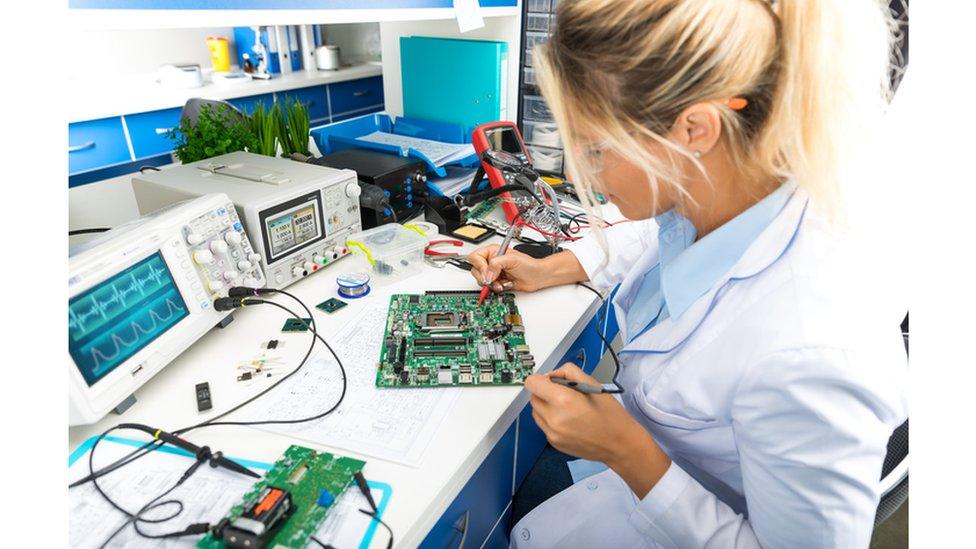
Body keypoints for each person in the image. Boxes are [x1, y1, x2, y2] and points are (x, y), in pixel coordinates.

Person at [466, 0, 908, 546]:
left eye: (597, 147)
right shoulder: (735, 194)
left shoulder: (810, 350)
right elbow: (657, 236)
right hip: (620, 489)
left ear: (694, 129)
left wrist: (626, 449)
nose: (578, 171)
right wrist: (550, 268)